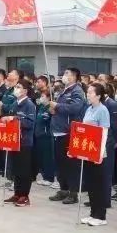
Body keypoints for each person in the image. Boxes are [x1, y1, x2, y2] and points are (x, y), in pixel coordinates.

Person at [49, 68, 88, 205]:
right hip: (58, 131)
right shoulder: (63, 90)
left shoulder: (77, 91)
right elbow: (59, 109)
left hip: (68, 132)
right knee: (60, 164)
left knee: (71, 164)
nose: (64, 76)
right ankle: (63, 189)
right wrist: (53, 109)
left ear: (74, 77)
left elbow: (75, 108)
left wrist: (57, 106)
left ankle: (73, 192)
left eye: (67, 74)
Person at [80, 82, 112, 224]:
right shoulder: (89, 109)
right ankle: (93, 213)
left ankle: (100, 216)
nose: (88, 94)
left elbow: (104, 132)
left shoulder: (103, 110)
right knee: (91, 183)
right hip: (88, 150)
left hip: (98, 152)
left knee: (99, 184)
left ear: (98, 95)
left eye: (91, 92)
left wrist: (99, 153)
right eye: (87, 92)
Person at [6, 81, 37, 207]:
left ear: (25, 91)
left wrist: (15, 119)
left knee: (24, 170)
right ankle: (17, 193)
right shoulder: (14, 103)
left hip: (25, 142)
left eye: (19, 87)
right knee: (16, 169)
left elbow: (30, 123)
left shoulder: (29, 105)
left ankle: (24, 195)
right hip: (14, 140)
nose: (16, 89)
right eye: (16, 87)